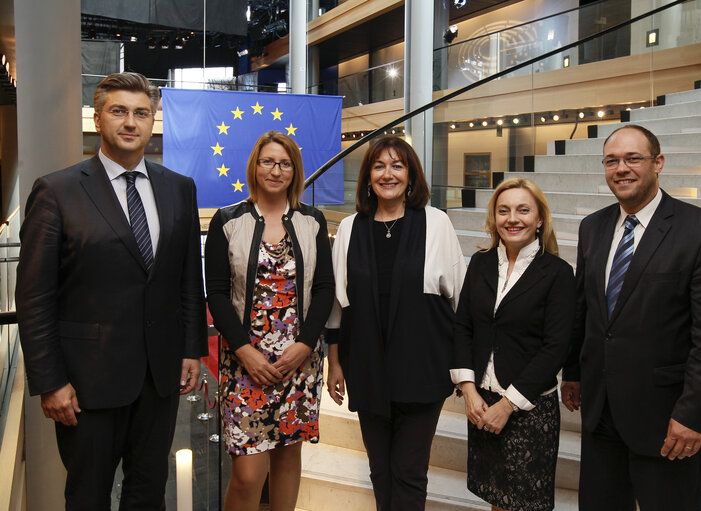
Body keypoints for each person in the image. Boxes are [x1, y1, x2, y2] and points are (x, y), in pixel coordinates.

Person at [16, 72, 207, 509]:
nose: (130, 122)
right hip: (86, 384)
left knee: (147, 493)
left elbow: (185, 280)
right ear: (99, 118)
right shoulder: (57, 191)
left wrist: (191, 349)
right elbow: (34, 296)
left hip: (158, 380)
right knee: (88, 497)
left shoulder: (179, 188)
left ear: (152, 121)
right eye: (118, 111)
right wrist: (51, 381)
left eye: (141, 113)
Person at [561, 124, 701, 510]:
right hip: (601, 412)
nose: (621, 168)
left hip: (668, 420)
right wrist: (572, 371)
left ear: (658, 163)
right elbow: (585, 310)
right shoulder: (593, 227)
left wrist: (693, 415)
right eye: (612, 160)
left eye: (633, 158)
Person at [325, 135, 466, 511]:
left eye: (397, 166)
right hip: (367, 367)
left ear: (411, 175)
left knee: (409, 469)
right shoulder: (351, 227)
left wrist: (461, 368)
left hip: (423, 368)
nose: (388, 174)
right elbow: (339, 305)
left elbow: (459, 300)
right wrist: (334, 363)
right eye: (379, 166)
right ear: (368, 176)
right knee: (380, 470)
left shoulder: (437, 223)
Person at [205, 130, 334, 511]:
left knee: (287, 458)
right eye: (267, 161)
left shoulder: (312, 221)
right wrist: (245, 352)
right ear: (254, 167)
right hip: (246, 363)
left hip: (299, 361)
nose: (275, 170)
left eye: (284, 163)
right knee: (247, 475)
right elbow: (216, 292)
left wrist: (305, 345)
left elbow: (325, 289)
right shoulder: (228, 220)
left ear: (294, 170)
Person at [451, 178, 575, 511]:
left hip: (528, 407)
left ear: (539, 219)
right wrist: (469, 390)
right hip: (482, 402)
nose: (512, 218)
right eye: (503, 210)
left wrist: (507, 405)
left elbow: (556, 348)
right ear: (494, 218)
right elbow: (463, 326)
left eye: (523, 210)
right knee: (497, 499)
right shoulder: (480, 263)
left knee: (525, 503)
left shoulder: (558, 273)